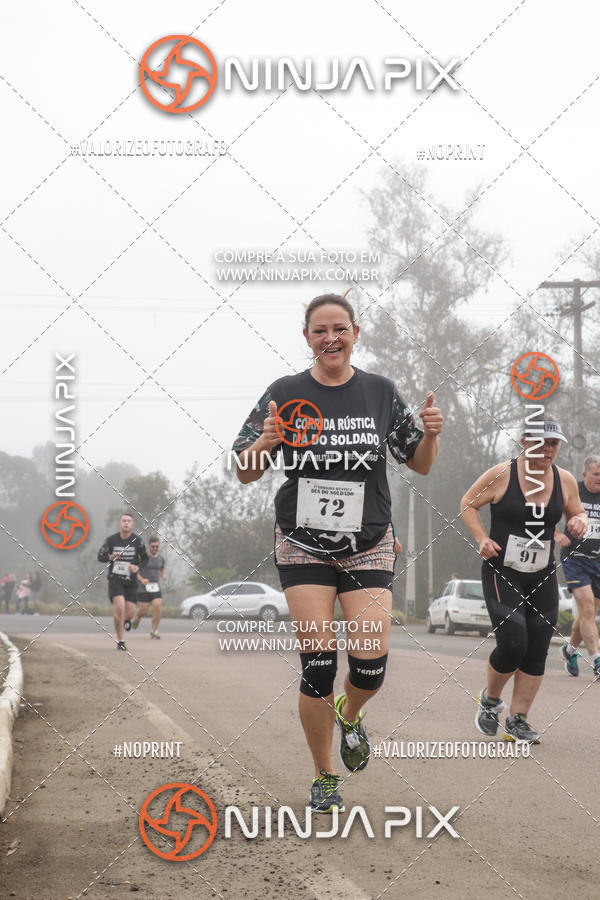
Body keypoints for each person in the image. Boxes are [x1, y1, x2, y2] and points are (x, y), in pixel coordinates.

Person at [233, 292, 442, 812]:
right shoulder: (284, 392)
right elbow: (244, 469)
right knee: (319, 664)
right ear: (307, 338)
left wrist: (432, 435)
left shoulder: (379, 392)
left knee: (370, 667)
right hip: (303, 542)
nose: (331, 338)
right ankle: (324, 774)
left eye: (340, 328)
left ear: (355, 333)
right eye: (320, 330)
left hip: (368, 543)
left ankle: (351, 713)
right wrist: (266, 441)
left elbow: (418, 463)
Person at [461, 417, 587, 743]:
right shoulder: (502, 474)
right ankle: (490, 700)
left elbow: (577, 512)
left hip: (543, 575)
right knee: (513, 643)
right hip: (503, 572)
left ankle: (518, 720)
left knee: (537, 649)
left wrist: (580, 522)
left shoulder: (565, 479)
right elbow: (468, 504)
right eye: (540, 442)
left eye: (554, 443)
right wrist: (481, 538)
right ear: (523, 441)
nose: (547, 449)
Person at [558, 455, 600, 678]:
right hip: (575, 558)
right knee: (585, 606)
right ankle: (597, 661)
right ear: (584, 474)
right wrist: (556, 534)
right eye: (596, 474)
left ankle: (569, 650)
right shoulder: (573, 491)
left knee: (589, 613)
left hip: (598, 561)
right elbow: (548, 515)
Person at [97, 513, 148, 651]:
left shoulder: (137, 541)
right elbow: (100, 556)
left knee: (130, 613)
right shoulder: (111, 540)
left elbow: (145, 559)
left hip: (131, 582)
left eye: (129, 521)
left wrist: (137, 567)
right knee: (119, 608)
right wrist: (111, 556)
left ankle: (123, 620)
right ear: (120, 524)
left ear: (132, 525)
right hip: (115, 580)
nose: (126, 523)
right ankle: (120, 640)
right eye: (124, 521)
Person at [132, 536, 166, 639]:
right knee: (144, 610)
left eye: (157, 546)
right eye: (153, 546)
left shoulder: (161, 558)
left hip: (155, 587)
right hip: (142, 588)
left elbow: (162, 569)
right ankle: (137, 618)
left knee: (157, 607)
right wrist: (142, 580)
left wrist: (163, 575)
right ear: (149, 546)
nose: (155, 548)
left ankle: (154, 631)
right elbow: (135, 571)